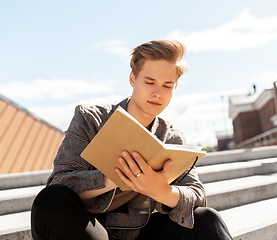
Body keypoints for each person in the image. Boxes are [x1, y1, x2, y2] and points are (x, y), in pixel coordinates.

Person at [31, 40, 233, 240]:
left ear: (175, 87)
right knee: (51, 201)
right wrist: (117, 177)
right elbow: (61, 182)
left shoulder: (172, 137)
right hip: (90, 230)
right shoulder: (90, 120)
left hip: (141, 232)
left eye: (167, 86)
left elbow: (197, 195)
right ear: (132, 78)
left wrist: (162, 191)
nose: (157, 93)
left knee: (207, 219)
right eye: (149, 82)